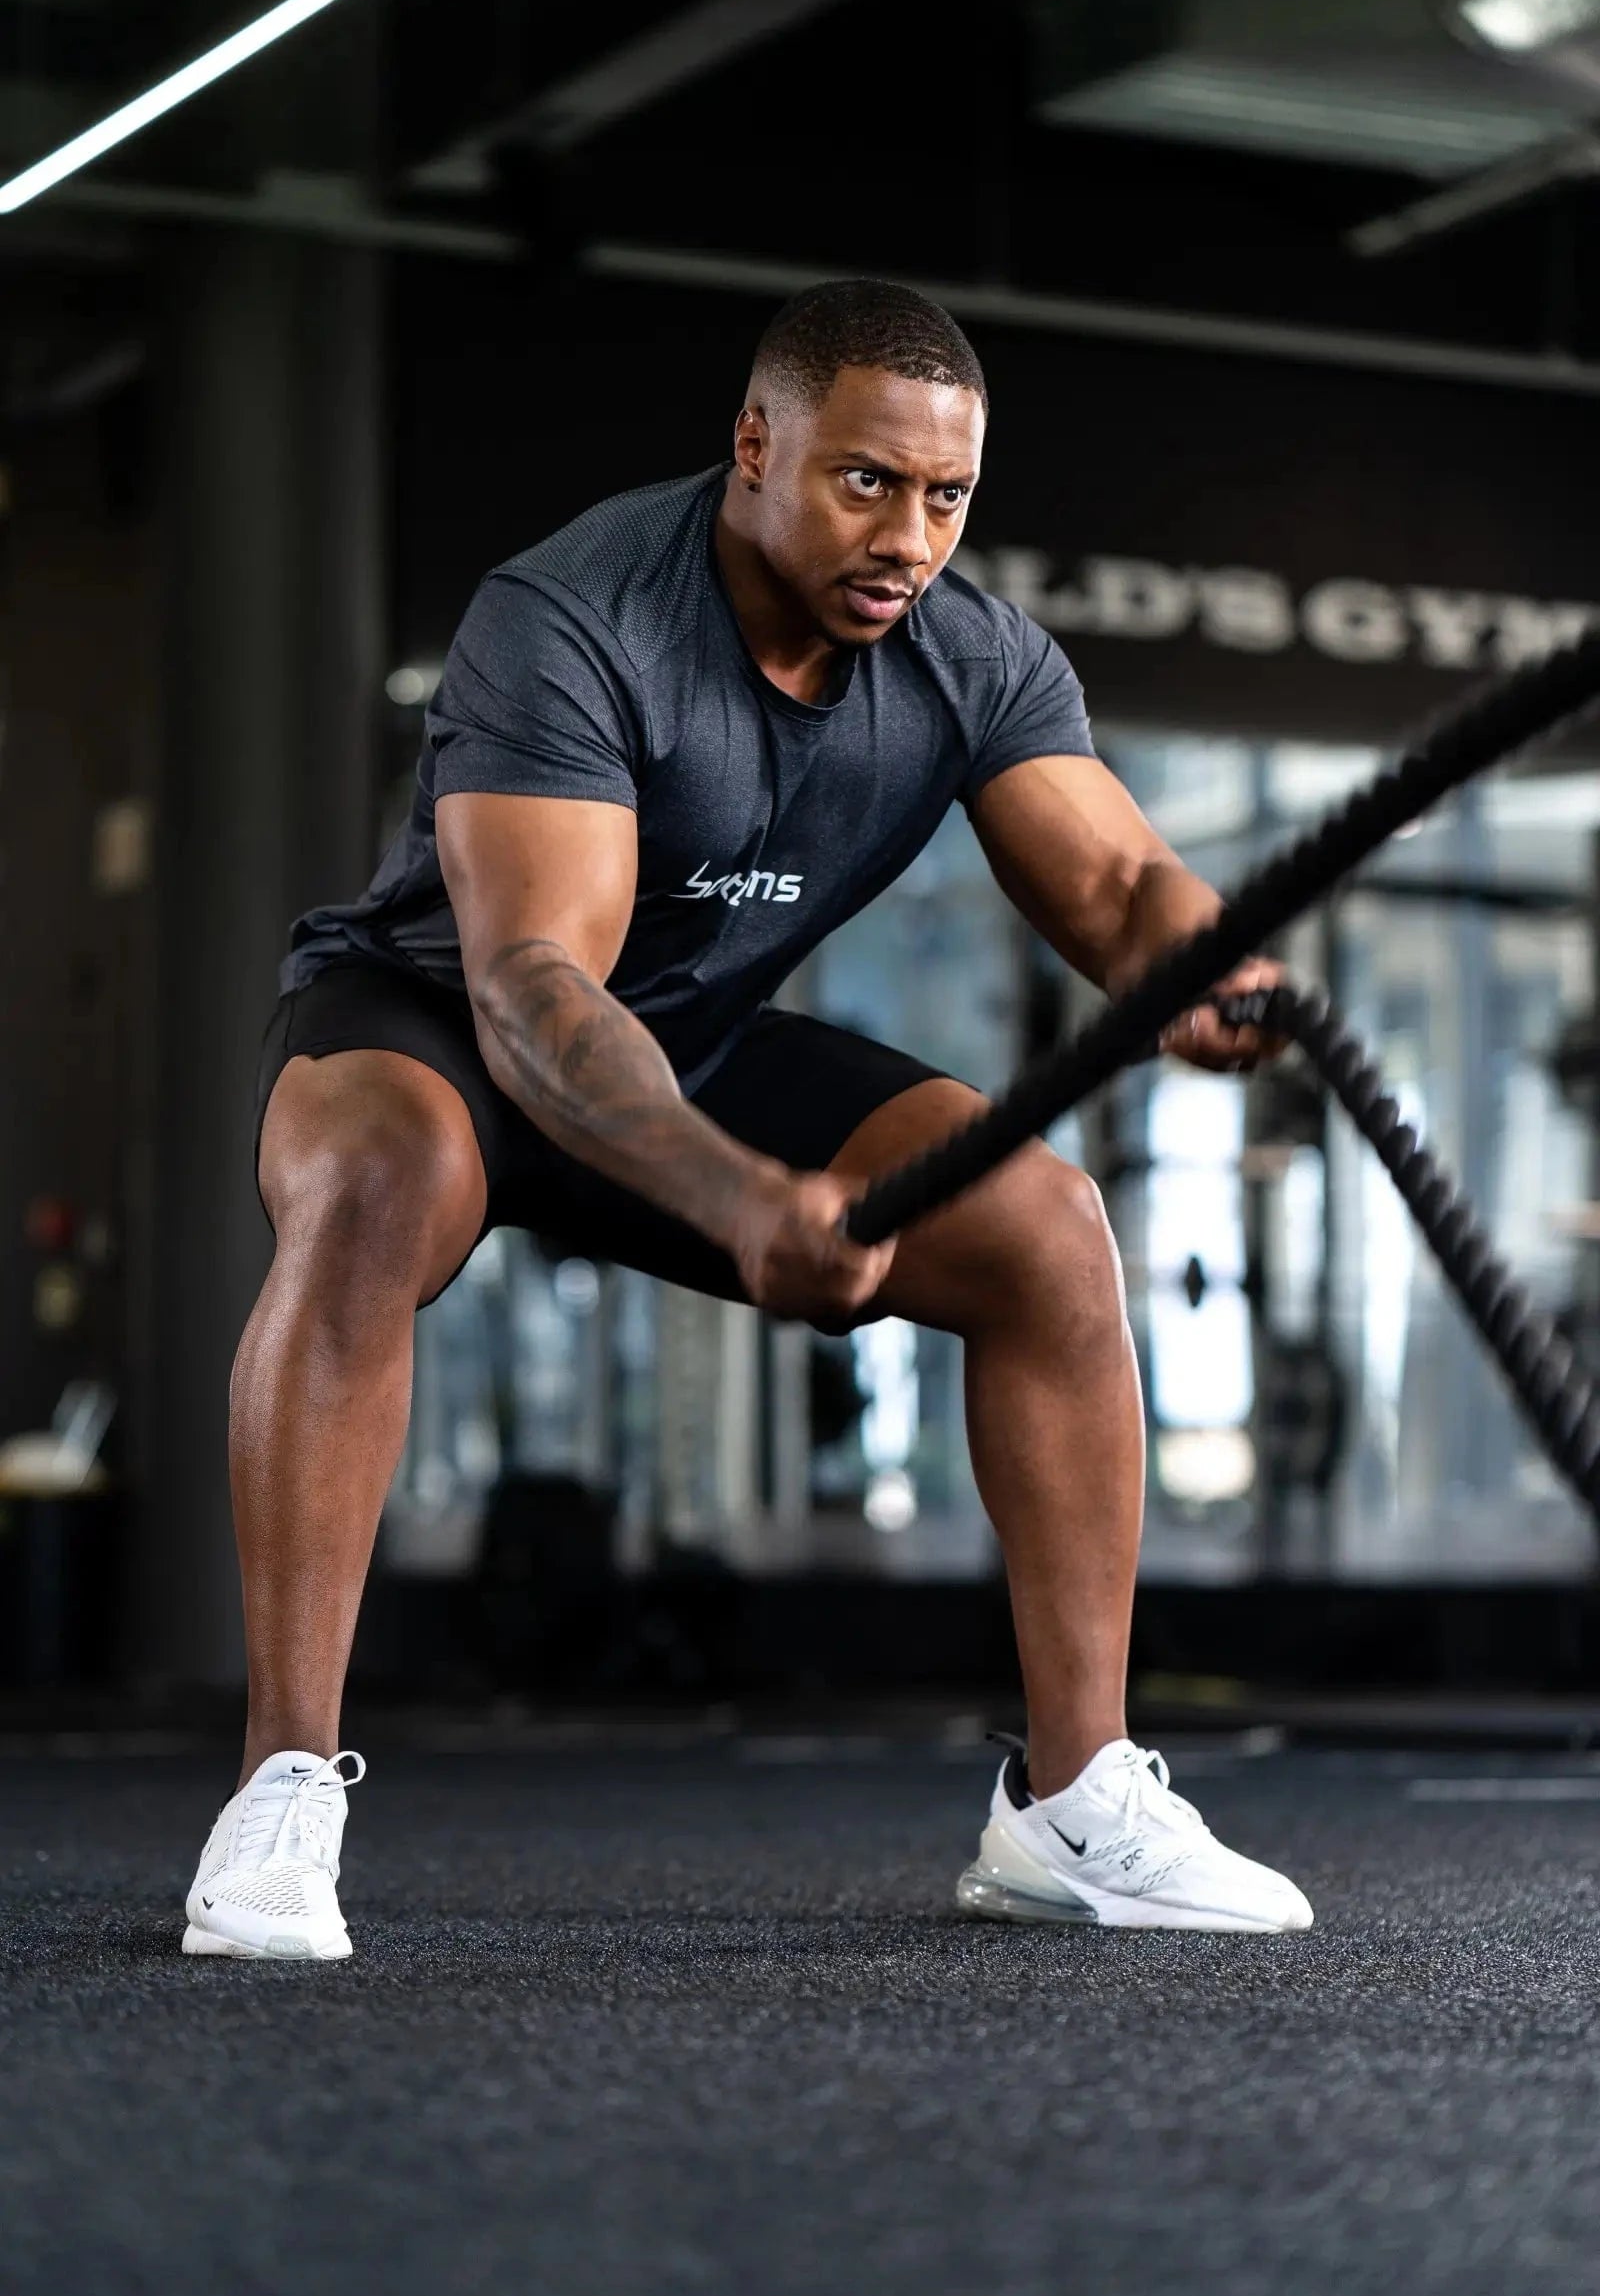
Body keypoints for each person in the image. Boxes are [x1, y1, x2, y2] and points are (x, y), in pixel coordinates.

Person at [183, 278, 1312, 1959]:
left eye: (946, 496)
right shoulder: (574, 618)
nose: (909, 537)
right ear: (756, 446)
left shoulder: (971, 657)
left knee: (1045, 1229)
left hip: (693, 1040)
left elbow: (1123, 882)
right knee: (369, 1185)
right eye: (868, 481)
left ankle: (1073, 1801)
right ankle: (282, 1786)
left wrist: (1202, 962)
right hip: (443, 1025)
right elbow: (535, 990)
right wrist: (735, 1196)